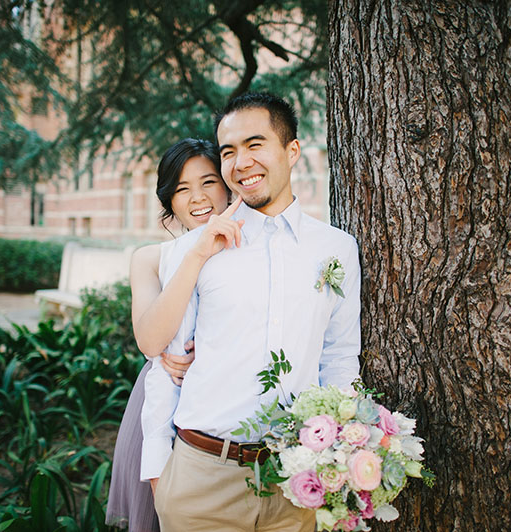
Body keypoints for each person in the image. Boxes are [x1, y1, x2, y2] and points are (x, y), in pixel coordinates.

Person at [141, 92, 362, 532]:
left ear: (291, 150)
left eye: (255, 144)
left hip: (296, 480)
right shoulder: (196, 247)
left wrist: (341, 455)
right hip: (202, 479)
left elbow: (339, 357)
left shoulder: (337, 248)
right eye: (228, 151)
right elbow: (161, 360)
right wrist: (158, 470)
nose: (241, 162)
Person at [105, 138, 244, 531]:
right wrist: (197, 253)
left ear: (228, 185)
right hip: (161, 401)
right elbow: (151, 341)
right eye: (182, 189)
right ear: (169, 200)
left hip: (229, 412)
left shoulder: (249, 249)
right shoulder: (150, 258)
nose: (198, 198)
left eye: (209, 182)